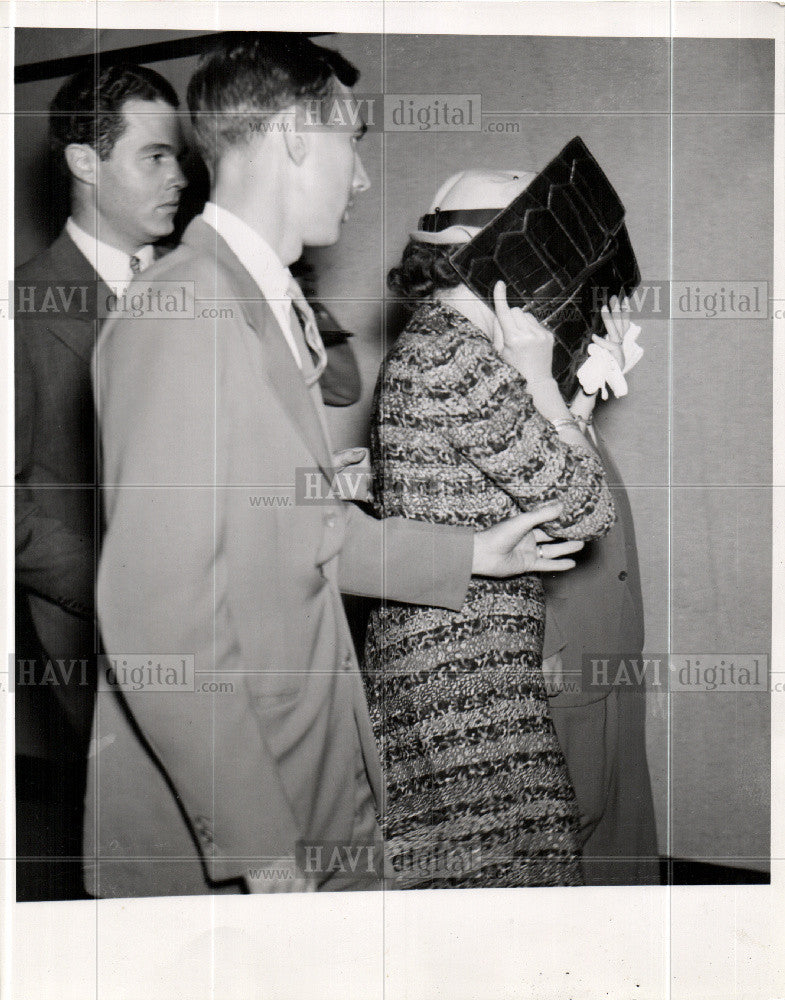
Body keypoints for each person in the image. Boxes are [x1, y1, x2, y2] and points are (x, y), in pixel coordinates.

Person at [84, 33, 579, 899]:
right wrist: (260, 845)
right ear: (294, 134)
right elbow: (154, 616)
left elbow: (300, 536)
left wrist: (465, 555)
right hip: (245, 802)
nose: (358, 178)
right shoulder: (180, 312)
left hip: (313, 764)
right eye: (351, 140)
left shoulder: (257, 300)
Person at [362, 169, 618, 889]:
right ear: (489, 255)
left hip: (457, 646)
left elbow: (545, 479)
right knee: (508, 883)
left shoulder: (447, 339)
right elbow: (587, 509)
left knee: (481, 876)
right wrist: (540, 376)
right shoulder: (458, 357)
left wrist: (576, 396)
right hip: (459, 664)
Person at [14, 63, 186, 899]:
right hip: (93, 647)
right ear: (85, 162)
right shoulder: (24, 313)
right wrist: (111, 589)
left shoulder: (195, 291)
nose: (180, 176)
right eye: (154, 156)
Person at [542, 295, 659, 885]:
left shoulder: (564, 417)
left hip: (613, 653)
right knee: (570, 835)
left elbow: (569, 459)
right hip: (565, 667)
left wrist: (586, 392)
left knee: (622, 834)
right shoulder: (502, 420)